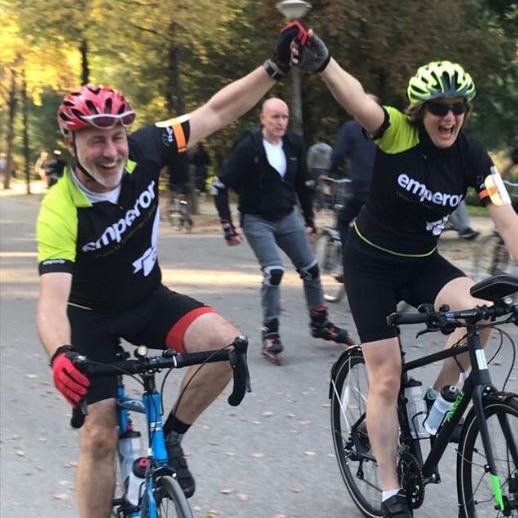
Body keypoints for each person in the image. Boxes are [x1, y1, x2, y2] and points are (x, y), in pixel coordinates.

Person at [35, 22, 310, 518]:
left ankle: (172, 438)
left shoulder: (148, 147)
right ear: (71, 142)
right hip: (91, 322)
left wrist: (274, 68)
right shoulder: (61, 208)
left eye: (116, 136)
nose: (111, 151)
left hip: (147, 302)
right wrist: (60, 353)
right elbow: (52, 303)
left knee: (227, 347)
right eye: (95, 141)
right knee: (99, 433)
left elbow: (216, 111)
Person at [291, 28, 518, 517]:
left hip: (420, 263)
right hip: (369, 264)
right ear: (421, 112)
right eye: (439, 108)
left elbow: (505, 216)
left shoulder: (473, 156)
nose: (450, 117)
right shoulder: (397, 131)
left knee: (482, 316)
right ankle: (392, 488)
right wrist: (324, 62)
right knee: (388, 377)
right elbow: (358, 101)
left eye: (459, 107)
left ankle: (438, 405)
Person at [213, 97, 355, 365]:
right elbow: (219, 186)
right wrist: (227, 225)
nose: (280, 122)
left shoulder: (293, 144)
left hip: (287, 215)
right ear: (263, 118)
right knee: (274, 271)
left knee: (310, 268)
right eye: (275, 117)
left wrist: (310, 220)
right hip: (256, 219)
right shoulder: (249, 147)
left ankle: (320, 322)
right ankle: (271, 331)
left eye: (284, 117)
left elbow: (302, 184)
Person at [330, 102, 378, 252]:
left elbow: (337, 155)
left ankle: (346, 261)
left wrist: (333, 171)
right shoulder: (384, 129)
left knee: (343, 222)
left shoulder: (351, 128)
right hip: (383, 188)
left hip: (361, 187)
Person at [306, 134, 332, 210]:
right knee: (323, 187)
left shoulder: (313, 148)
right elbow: (331, 159)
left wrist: (308, 170)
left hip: (315, 169)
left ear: (317, 139)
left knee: (316, 187)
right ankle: (323, 203)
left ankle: (322, 204)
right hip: (326, 169)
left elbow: (310, 160)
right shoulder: (329, 148)